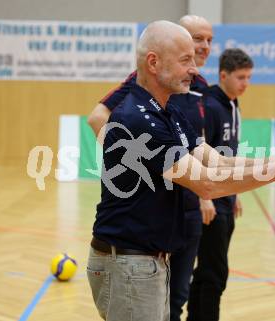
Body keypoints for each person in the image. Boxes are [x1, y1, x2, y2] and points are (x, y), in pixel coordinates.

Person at [87, 20, 275, 321]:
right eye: (185, 60)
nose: (195, 69)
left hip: (146, 263)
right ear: (154, 63)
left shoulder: (168, 111)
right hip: (129, 265)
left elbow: (218, 162)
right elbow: (208, 184)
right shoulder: (139, 120)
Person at [88, 15, 216, 321]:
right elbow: (98, 117)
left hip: (159, 246)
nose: (200, 53)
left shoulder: (171, 105)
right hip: (132, 259)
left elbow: (214, 159)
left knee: (176, 303)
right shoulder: (139, 110)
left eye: (207, 41)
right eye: (193, 44)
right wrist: (127, 157)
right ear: (155, 62)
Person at [187, 48, 252, 321]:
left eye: (249, 77)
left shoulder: (234, 104)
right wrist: (205, 196)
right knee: (215, 274)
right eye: (240, 77)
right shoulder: (210, 105)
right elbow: (199, 153)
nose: (245, 83)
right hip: (210, 200)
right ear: (223, 75)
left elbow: (229, 155)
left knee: (208, 272)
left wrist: (234, 192)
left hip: (226, 197)